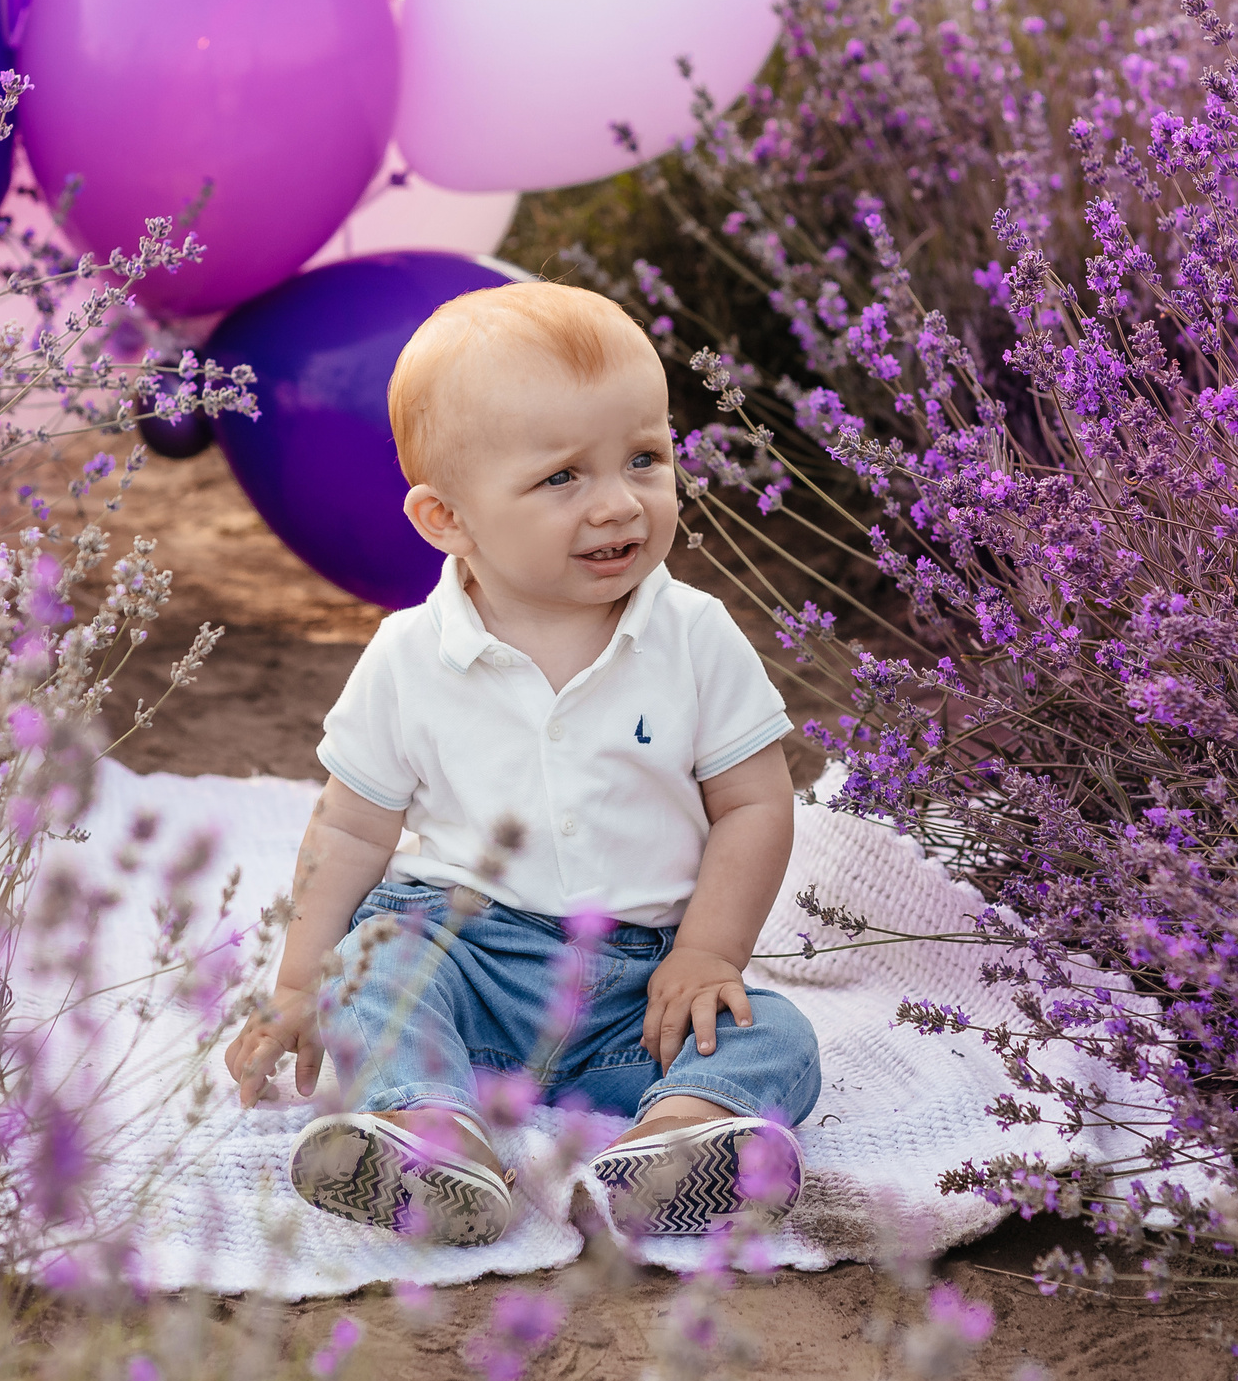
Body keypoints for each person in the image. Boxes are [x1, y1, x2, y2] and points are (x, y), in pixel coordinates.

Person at [222, 282, 819, 1247]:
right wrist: (297, 983)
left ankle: (679, 1141)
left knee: (774, 1035)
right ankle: (431, 1131)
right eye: (562, 478)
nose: (620, 502)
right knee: (367, 974)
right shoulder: (410, 655)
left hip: (639, 985)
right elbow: (350, 826)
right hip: (461, 957)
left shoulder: (694, 635)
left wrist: (709, 953)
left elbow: (755, 801)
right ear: (446, 518)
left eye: (645, 458)